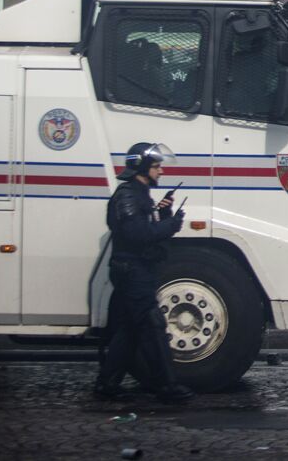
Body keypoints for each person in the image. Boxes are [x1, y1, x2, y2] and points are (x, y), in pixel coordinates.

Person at [93, 142, 193, 402]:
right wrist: (170, 225)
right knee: (153, 325)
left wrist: (162, 212)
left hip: (136, 270)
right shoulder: (128, 194)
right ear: (142, 167)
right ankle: (167, 385)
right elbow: (138, 234)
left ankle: (107, 383)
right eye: (156, 167)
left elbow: (144, 226)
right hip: (132, 271)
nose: (160, 172)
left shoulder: (140, 194)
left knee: (130, 330)